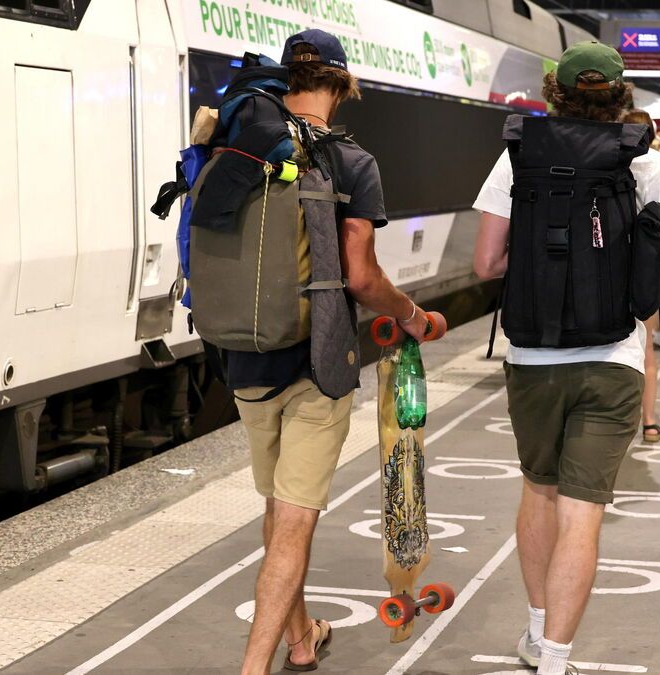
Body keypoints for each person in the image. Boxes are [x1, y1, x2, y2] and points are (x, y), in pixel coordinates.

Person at [472, 42, 660, 675]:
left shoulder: (517, 156)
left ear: (556, 93)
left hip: (534, 357)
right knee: (583, 512)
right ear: (622, 93)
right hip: (614, 359)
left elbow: (486, 263)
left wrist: (547, 262)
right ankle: (556, 662)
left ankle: (537, 632)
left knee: (539, 493)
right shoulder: (645, 163)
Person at [225, 30, 433, 675]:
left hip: (246, 357)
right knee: (294, 523)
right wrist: (415, 316)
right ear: (342, 84)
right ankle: (254, 668)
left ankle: (302, 639)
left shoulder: (240, 142)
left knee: (276, 507)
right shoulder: (350, 160)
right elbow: (363, 278)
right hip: (319, 366)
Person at [623, 109, 660, 444]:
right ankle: (649, 421)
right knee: (646, 350)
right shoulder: (654, 165)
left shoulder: (602, 162)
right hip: (642, 271)